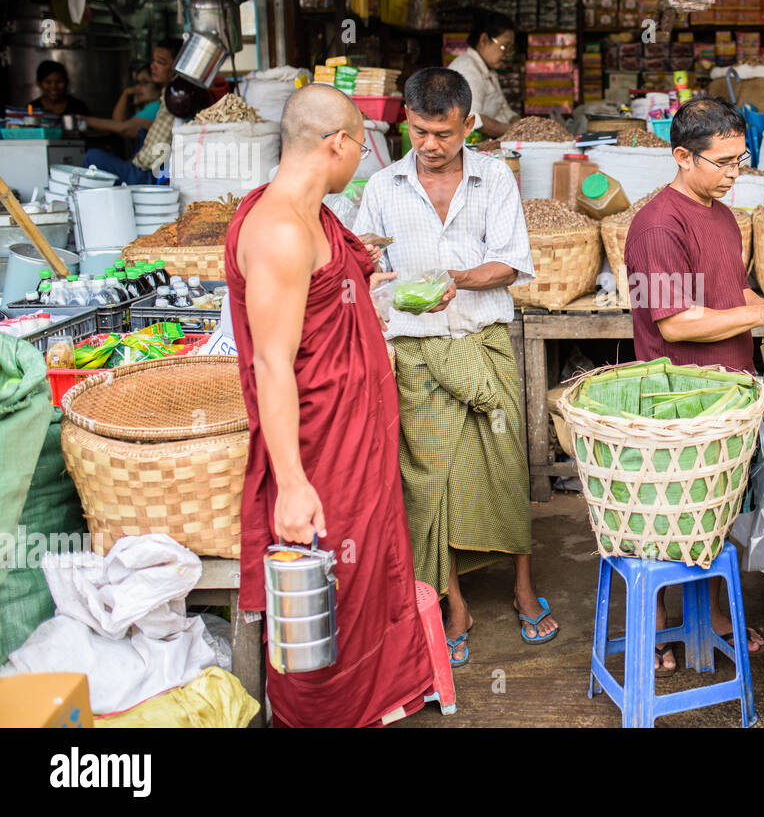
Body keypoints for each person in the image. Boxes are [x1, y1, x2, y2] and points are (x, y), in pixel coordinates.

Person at [224, 83, 443, 728]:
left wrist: (361, 276)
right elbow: (271, 362)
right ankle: (322, 716)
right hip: (320, 447)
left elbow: (328, 290)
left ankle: (374, 702)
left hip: (358, 435)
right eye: (362, 145)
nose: (364, 160)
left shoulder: (316, 214)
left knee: (371, 573)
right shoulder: (279, 231)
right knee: (328, 588)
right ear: (339, 143)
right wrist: (291, 482)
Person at [351, 66, 557, 668]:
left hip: (482, 344)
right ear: (404, 124)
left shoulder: (495, 178)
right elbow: (366, 263)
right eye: (418, 132)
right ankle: (454, 605)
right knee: (429, 482)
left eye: (442, 133)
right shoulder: (383, 187)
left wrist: (455, 280)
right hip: (416, 356)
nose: (430, 145)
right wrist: (365, 261)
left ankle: (522, 589)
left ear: (469, 124)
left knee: (503, 467)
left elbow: (510, 265)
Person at [623, 95, 764, 674]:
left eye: (741, 160)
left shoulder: (724, 214)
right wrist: (759, 316)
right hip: (679, 397)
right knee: (670, 518)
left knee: (719, 514)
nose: (736, 174)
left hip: (727, 394)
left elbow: (735, 294)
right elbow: (676, 322)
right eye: (724, 163)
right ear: (682, 156)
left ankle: (717, 617)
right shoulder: (659, 226)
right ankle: (655, 628)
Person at [82, 38, 181, 185]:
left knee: (92, 157)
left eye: (160, 62)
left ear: (177, 66)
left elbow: (123, 128)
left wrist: (83, 120)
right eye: (153, 61)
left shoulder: (173, 101)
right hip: (145, 169)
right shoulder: (164, 100)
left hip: (148, 175)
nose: (153, 66)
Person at [447, 10, 520, 139]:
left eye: (510, 49)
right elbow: (470, 117)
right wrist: (514, 132)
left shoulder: (488, 70)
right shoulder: (468, 69)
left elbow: (504, 109)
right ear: (484, 40)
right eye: (504, 47)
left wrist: (519, 124)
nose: (508, 55)